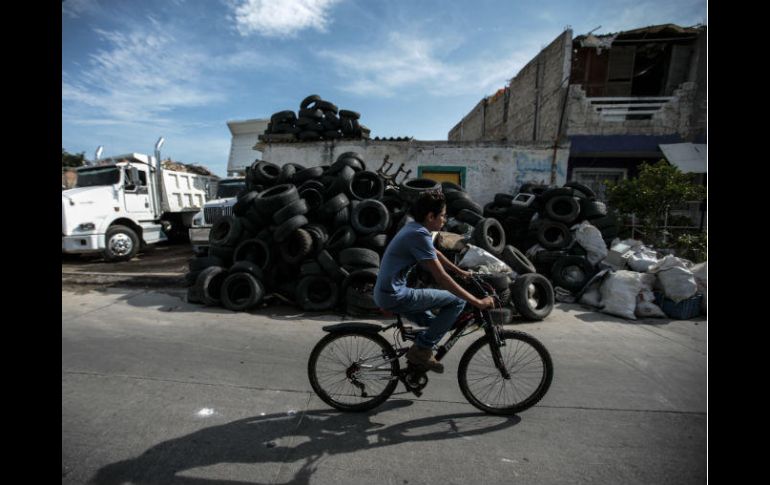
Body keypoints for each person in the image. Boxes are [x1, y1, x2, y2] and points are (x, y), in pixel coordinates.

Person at [374, 190, 495, 373]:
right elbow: (441, 278)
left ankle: (415, 366)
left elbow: (435, 253)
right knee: (458, 301)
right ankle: (421, 351)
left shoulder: (414, 228)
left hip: (387, 292)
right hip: (395, 295)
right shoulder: (418, 235)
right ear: (431, 216)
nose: (445, 220)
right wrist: (477, 302)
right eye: (443, 216)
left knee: (436, 325)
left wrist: (460, 272)